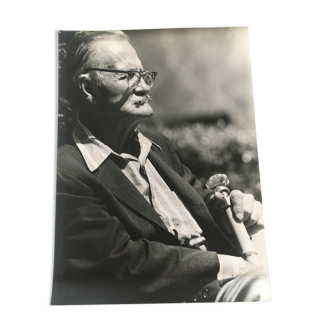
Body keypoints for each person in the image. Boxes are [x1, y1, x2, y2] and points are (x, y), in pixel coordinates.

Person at [52, 30, 269, 305]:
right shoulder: (68, 172)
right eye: (127, 75)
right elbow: (123, 263)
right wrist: (230, 266)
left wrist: (232, 208)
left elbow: (199, 204)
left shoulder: (157, 145)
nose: (143, 87)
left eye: (144, 75)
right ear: (87, 87)